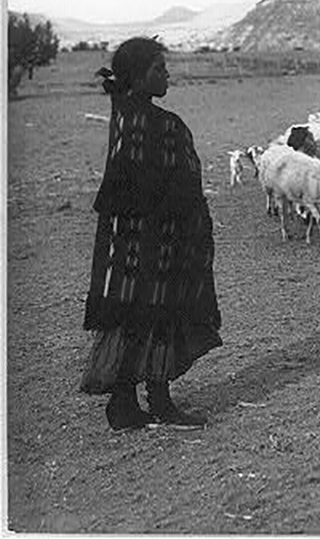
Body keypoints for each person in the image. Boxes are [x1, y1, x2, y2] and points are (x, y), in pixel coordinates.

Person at [80, 37, 222, 430]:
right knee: (156, 309)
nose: (167, 74)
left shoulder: (128, 117)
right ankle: (153, 402)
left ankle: (128, 403)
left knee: (134, 313)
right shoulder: (155, 124)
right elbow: (164, 183)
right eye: (159, 68)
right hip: (154, 240)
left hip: (132, 242)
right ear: (139, 76)